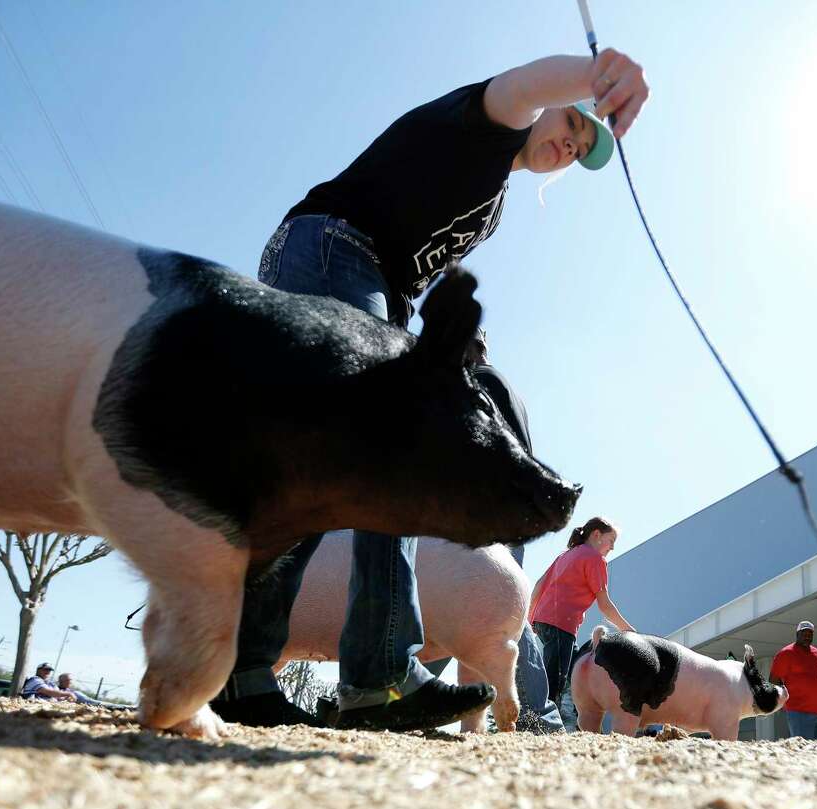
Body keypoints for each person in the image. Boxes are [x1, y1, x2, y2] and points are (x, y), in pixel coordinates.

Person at [212, 48, 651, 732]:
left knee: (346, 465)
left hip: (373, 280)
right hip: (332, 247)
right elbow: (526, 86)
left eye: (583, 146)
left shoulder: (494, 203)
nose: (570, 143)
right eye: (571, 122)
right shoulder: (491, 123)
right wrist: (599, 78)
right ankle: (361, 670)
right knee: (378, 456)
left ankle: (324, 674)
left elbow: (420, 273)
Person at [466, 330, 563, 733]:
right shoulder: (503, 385)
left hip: (493, 512)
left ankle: (538, 714)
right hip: (511, 512)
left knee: (498, 611)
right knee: (497, 609)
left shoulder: (480, 382)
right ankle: (537, 713)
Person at [529, 517, 635, 708]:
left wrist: (530, 619)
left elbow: (538, 584)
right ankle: (543, 725)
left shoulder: (566, 555)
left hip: (544, 621)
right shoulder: (595, 559)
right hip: (561, 624)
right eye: (611, 541)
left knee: (577, 667)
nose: (612, 548)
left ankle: (582, 716)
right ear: (597, 535)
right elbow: (605, 605)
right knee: (555, 682)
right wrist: (629, 631)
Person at [769, 620, 817, 741]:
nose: (807, 636)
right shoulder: (786, 653)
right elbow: (773, 680)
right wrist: (782, 699)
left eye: (810, 634)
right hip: (799, 713)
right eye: (804, 633)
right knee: (804, 752)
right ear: (797, 634)